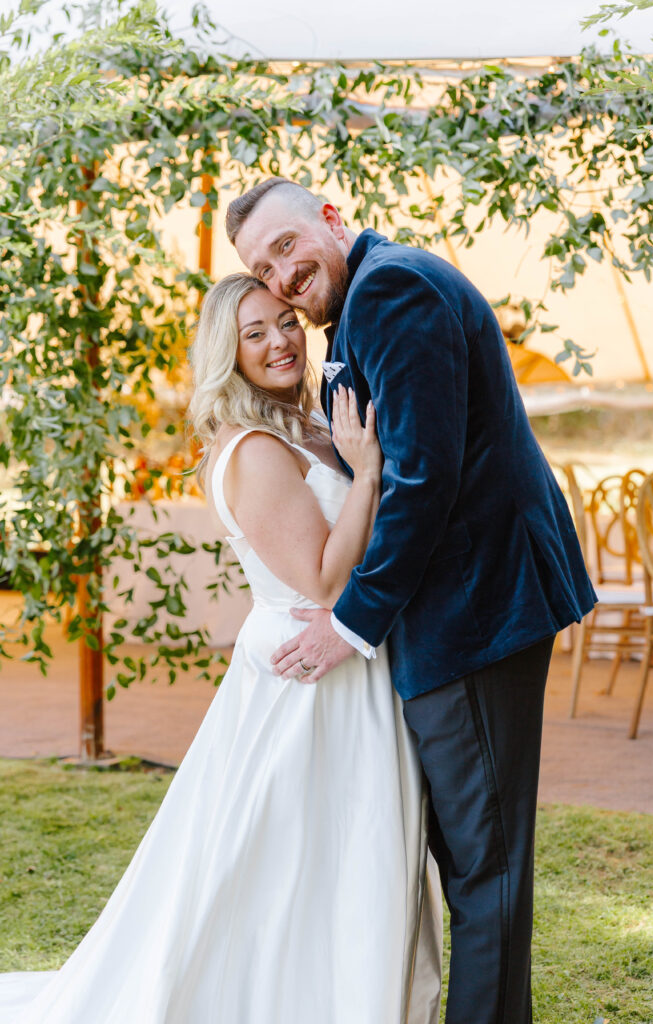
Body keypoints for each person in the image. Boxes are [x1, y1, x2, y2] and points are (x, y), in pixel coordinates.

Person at [0, 274, 442, 1024]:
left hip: (345, 665)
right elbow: (324, 576)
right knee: (294, 855)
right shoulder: (254, 448)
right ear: (226, 354)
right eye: (255, 333)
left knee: (343, 848)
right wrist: (367, 473)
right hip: (308, 673)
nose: (280, 341)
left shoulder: (301, 426)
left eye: (286, 323)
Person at [228, 179, 597, 1024]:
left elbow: (422, 479)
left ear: (330, 217)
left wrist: (351, 624)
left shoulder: (391, 288)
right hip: (450, 616)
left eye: (286, 247)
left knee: (485, 867)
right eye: (262, 268)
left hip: (473, 614)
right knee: (470, 859)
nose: (281, 275)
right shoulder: (362, 306)